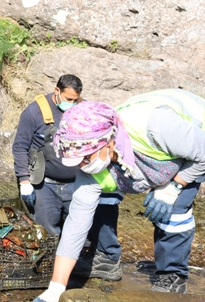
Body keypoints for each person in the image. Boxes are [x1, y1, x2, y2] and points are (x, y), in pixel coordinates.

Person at [30, 90, 205, 302]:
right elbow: (75, 227)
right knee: (100, 199)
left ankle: (173, 276)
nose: (81, 165)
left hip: (194, 141)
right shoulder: (91, 163)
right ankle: (106, 259)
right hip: (135, 154)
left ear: (108, 142)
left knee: (173, 213)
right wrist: (55, 289)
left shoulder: (157, 127)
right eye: (76, 160)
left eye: (85, 158)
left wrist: (174, 187)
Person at [12, 75, 123, 280]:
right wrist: (24, 181)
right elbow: (20, 147)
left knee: (80, 230)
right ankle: (46, 271)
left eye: (75, 100)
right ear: (57, 91)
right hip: (45, 184)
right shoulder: (34, 112)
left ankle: (77, 271)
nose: (71, 104)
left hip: (77, 182)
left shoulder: (85, 111)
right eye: (68, 99)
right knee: (47, 229)